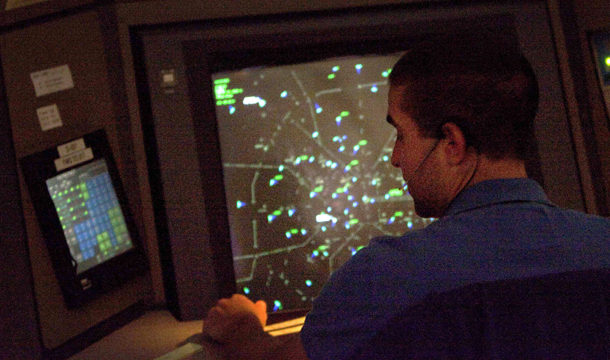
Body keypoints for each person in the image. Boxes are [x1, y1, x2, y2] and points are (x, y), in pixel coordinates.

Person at [199, 39, 610, 359]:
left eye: (401, 135)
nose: (396, 158)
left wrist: (241, 327)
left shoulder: (386, 276)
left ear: (452, 142)